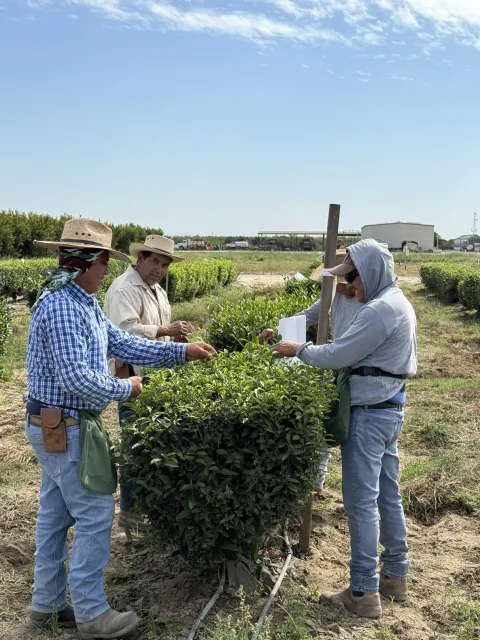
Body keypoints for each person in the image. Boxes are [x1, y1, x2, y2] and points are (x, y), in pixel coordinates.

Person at [24, 219, 216, 639]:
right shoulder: (61, 305)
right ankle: (92, 614)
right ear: (88, 262)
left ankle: (48, 604)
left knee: (55, 516)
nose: (108, 270)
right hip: (67, 424)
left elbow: (123, 342)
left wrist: (183, 352)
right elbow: (78, 379)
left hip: (60, 423)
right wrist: (126, 387)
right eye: (105, 262)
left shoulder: (81, 300)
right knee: (93, 515)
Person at [272, 239, 417, 619]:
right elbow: (316, 318)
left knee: (361, 502)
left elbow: (338, 354)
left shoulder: (379, 311)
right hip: (389, 409)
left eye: (351, 277)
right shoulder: (394, 302)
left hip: (369, 415)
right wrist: (282, 331)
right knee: (387, 494)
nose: (348, 285)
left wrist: (298, 351)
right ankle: (395, 576)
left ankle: (363, 591)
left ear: (368, 272)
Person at [103, 235, 189, 529]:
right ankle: (128, 510)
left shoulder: (158, 291)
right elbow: (124, 337)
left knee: (153, 440)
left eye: (165, 264)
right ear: (139, 259)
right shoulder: (123, 290)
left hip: (156, 374)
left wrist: (173, 337)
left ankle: (146, 507)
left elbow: (157, 332)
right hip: (132, 375)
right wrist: (164, 329)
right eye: (155, 261)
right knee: (134, 442)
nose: (160, 269)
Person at [259, 264, 362, 491]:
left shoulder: (369, 304)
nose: (346, 285)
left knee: (343, 424)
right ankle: (317, 477)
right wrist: (277, 328)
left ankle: (327, 475)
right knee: (325, 418)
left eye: (350, 278)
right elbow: (307, 316)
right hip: (337, 364)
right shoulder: (333, 297)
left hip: (355, 369)